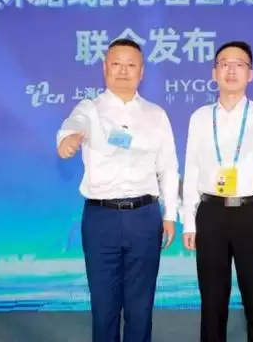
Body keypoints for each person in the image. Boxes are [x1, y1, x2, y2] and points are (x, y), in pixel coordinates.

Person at [56, 38, 180, 342]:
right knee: (104, 307)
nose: (123, 71)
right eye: (116, 64)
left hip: (145, 216)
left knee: (141, 307)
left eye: (130, 65)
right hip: (101, 218)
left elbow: (168, 167)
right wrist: (68, 141)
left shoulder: (156, 115)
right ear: (104, 68)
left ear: (141, 72)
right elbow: (69, 128)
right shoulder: (89, 109)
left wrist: (170, 215)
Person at [181, 41, 253, 342]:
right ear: (214, 72)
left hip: (251, 213)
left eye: (239, 64)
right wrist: (188, 221)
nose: (231, 70)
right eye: (224, 64)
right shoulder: (200, 117)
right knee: (212, 299)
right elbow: (191, 169)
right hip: (211, 213)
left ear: (250, 74)